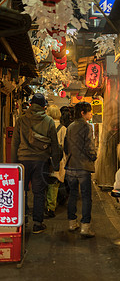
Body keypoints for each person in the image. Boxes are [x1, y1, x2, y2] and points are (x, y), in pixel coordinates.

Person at [11, 93, 61, 234]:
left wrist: (13, 164)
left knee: (22, 191)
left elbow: (15, 143)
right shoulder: (49, 121)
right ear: (44, 106)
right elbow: (55, 145)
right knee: (39, 193)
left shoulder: (21, 120)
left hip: (23, 160)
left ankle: (23, 219)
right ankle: (37, 223)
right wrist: (55, 164)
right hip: (41, 161)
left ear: (31, 104)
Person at [64, 101, 97, 237]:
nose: (91, 114)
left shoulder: (70, 126)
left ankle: (72, 223)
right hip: (83, 166)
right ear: (83, 113)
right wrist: (94, 156)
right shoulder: (87, 126)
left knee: (72, 195)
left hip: (71, 165)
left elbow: (65, 146)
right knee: (86, 197)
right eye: (89, 111)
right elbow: (89, 146)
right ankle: (85, 227)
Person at [44, 104, 66, 218]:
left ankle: (46, 205)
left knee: (45, 182)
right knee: (54, 184)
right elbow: (65, 147)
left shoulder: (45, 126)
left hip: (45, 158)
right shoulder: (63, 128)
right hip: (58, 159)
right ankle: (51, 207)